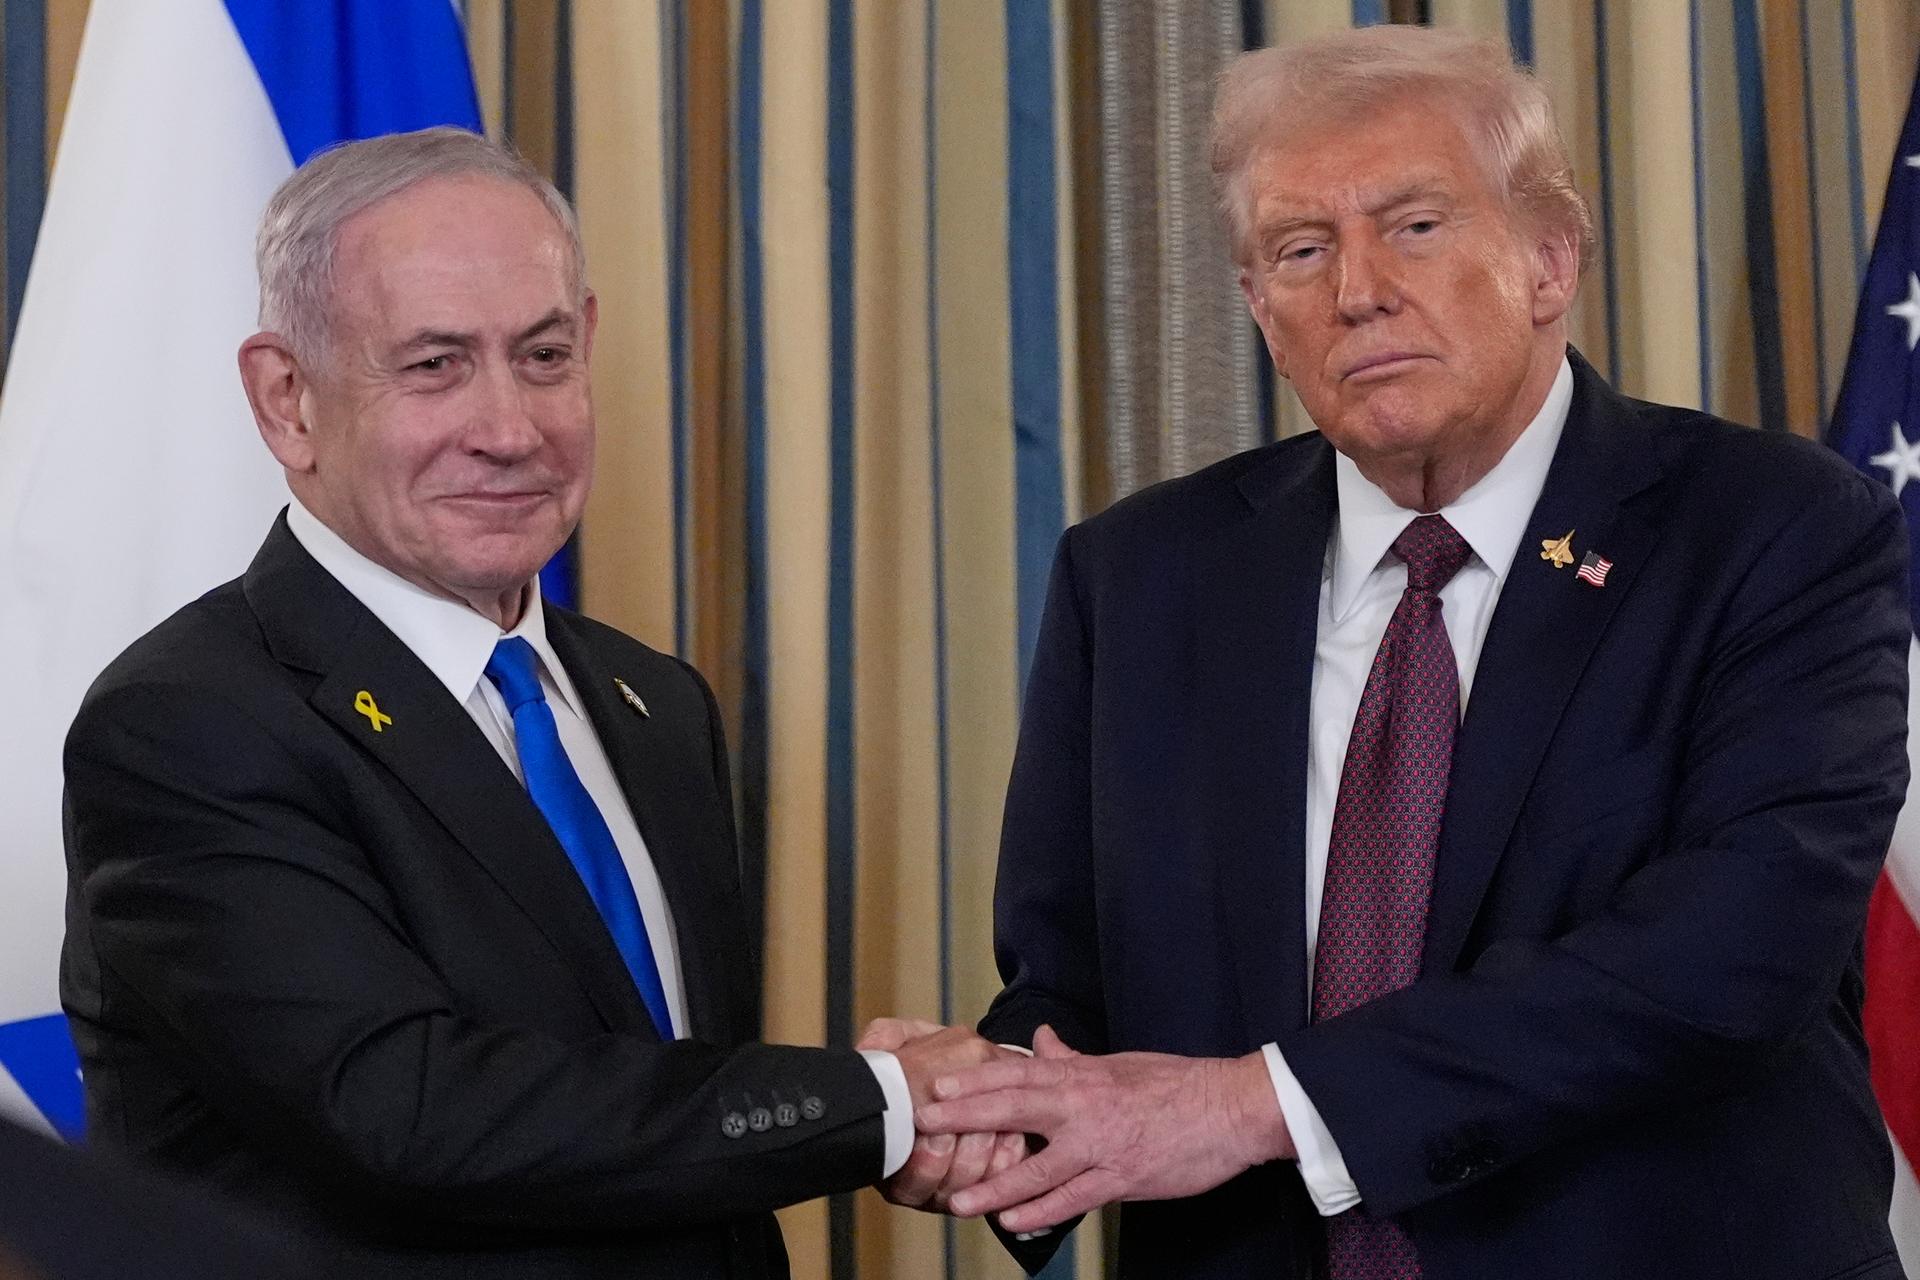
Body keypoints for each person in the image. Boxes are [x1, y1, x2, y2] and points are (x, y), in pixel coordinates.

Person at [907, 24, 1912, 1280]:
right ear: (1259, 311)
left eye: (1415, 225)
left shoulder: (1773, 529)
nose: (1357, 289)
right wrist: (984, 1112)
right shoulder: (1139, 576)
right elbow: (1070, 979)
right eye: (1300, 248)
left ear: (1552, 257)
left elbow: (1732, 953)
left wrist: (1249, 1105)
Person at [59, 127, 1011, 1278]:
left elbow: (666, 1122)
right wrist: (879, 1102)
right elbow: (408, 1111)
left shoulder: (654, 704)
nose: (510, 429)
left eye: (545, 355)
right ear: (287, 399)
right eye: (434, 365)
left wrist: (900, 1103)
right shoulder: (187, 721)